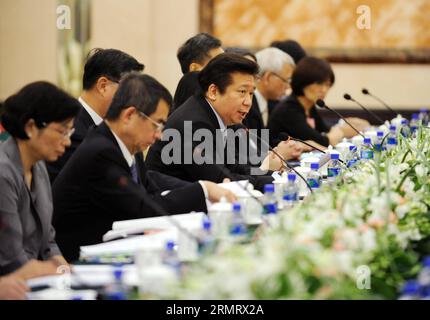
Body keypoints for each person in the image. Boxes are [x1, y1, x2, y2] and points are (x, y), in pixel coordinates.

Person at [52, 73, 236, 262]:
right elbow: (142, 208)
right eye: (157, 124)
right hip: (82, 259)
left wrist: (199, 189)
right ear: (129, 115)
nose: (159, 136)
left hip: (115, 244)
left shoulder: (129, 146)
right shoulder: (101, 152)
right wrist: (203, 189)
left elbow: (150, 190)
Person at [146, 53, 277, 191]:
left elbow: (234, 167)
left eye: (251, 93)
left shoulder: (217, 116)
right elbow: (222, 180)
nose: (248, 102)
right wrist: (274, 181)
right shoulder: (193, 124)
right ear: (213, 92)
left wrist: (278, 175)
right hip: (168, 207)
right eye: (242, 92)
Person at [0, 81, 80, 277]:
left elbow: (48, 242)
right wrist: (63, 272)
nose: (68, 141)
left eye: (70, 132)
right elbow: (11, 260)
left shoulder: (39, 166)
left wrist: (69, 273)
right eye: (62, 131)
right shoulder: (3, 173)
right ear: (30, 127)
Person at [46, 48, 144, 183]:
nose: (135, 100)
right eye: (130, 90)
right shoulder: (69, 130)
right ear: (103, 86)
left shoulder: (122, 129)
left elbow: (144, 181)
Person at [268, 56, 368, 148]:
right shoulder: (289, 109)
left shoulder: (309, 106)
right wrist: (340, 131)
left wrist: (343, 125)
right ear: (303, 81)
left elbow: (325, 129)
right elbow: (321, 140)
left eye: (328, 85)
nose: (324, 90)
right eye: (319, 83)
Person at [172, 33, 224, 113]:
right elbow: (187, 124)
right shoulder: (187, 114)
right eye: (218, 64)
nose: (226, 69)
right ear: (195, 68)